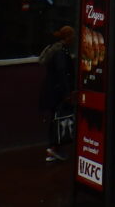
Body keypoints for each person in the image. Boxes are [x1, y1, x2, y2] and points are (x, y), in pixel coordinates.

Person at [39, 25, 75, 163]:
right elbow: (62, 72)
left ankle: (53, 148)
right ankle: (54, 148)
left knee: (56, 119)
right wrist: (67, 92)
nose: (74, 39)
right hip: (57, 91)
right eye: (72, 36)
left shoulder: (57, 49)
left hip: (52, 90)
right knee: (58, 119)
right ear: (67, 37)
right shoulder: (61, 52)